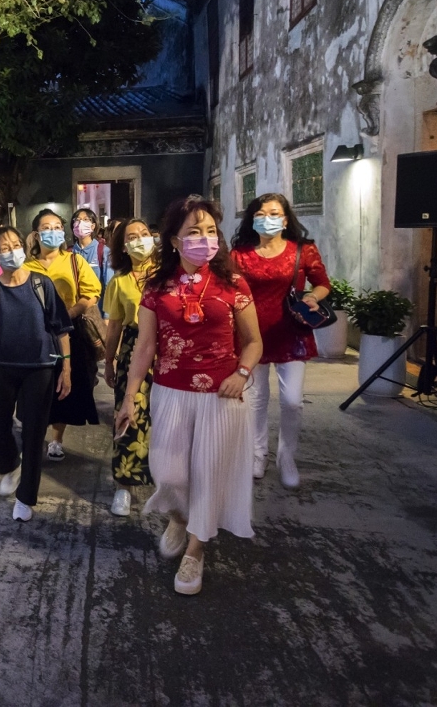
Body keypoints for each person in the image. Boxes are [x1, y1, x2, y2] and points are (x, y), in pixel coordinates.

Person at [116, 196, 263, 596]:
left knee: (209, 474)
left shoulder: (233, 283)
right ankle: (180, 517)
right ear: (174, 241)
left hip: (222, 395)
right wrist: (129, 397)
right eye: (194, 232)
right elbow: (145, 346)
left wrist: (242, 374)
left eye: (211, 231)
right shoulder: (155, 287)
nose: (205, 239)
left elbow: (253, 341)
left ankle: (196, 550)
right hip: (170, 392)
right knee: (169, 473)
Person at [0, 226, 73, 521]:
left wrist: (66, 367)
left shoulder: (41, 283)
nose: (13, 250)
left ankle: (25, 498)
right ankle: (10, 464)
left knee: (34, 432)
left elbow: (61, 328)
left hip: (40, 368)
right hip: (3, 366)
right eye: (5, 247)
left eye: (16, 244)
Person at [230, 193, 330, 488]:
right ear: (252, 219)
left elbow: (323, 284)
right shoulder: (239, 255)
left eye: (274, 214)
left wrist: (312, 297)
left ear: (285, 220)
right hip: (251, 334)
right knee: (255, 399)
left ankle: (287, 457)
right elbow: (230, 290)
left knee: (292, 401)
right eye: (260, 214)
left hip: (291, 332)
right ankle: (257, 453)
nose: (267, 219)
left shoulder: (303, 250)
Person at [24, 209, 102, 460]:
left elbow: (91, 293)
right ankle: (35, 436)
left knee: (63, 389)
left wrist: (69, 313)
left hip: (70, 333)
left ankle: (56, 440)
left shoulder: (74, 261)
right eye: (47, 227)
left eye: (57, 227)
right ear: (36, 235)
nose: (53, 232)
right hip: (35, 336)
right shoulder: (26, 266)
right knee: (36, 389)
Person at [101, 218, 159, 517]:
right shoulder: (119, 281)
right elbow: (114, 327)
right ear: (123, 246)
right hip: (134, 349)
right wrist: (109, 361)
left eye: (144, 234)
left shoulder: (169, 273)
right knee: (130, 414)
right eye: (132, 237)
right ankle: (124, 485)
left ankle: (166, 480)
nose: (140, 240)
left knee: (166, 417)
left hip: (171, 348)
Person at [72, 207, 114, 297]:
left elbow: (109, 285)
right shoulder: (69, 252)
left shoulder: (103, 251)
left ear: (93, 226)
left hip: (97, 303)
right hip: (74, 304)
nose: (81, 223)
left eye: (85, 219)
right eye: (77, 220)